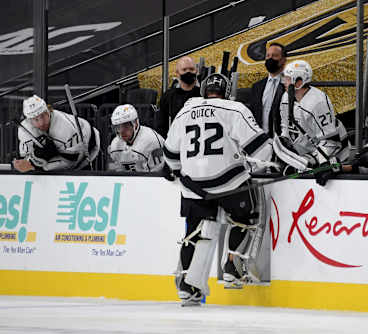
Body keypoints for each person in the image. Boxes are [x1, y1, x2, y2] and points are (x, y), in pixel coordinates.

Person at [164, 73, 272, 306]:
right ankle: (233, 266)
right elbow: (262, 150)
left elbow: (171, 157)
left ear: (203, 91)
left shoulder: (184, 111)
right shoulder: (234, 108)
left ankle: (187, 285)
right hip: (228, 181)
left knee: (194, 232)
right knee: (249, 215)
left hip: (193, 184)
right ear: (227, 91)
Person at [273, 60, 350, 176]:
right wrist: (285, 145)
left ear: (299, 82)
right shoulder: (285, 97)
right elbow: (286, 128)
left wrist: (322, 163)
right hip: (306, 153)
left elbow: (331, 141)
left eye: (288, 79)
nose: (284, 82)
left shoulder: (318, 102)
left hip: (333, 154)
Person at [13, 95, 100, 172]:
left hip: (88, 143)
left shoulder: (65, 127)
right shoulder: (24, 129)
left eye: (43, 116)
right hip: (65, 148)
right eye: (36, 119)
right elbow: (25, 158)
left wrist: (36, 165)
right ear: (29, 120)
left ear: (48, 111)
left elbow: (72, 161)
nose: (41, 123)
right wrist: (30, 161)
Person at [108, 104, 166, 172]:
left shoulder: (152, 141)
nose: (121, 132)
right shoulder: (115, 145)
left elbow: (157, 175)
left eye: (126, 126)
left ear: (135, 123)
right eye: (118, 127)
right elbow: (114, 173)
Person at [249, 42, 287, 137]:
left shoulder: (289, 85)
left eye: (274, 56)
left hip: (281, 141)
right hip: (260, 141)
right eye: (268, 55)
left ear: (283, 60)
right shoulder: (257, 87)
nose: (270, 58)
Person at [158, 56, 201, 138]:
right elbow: (161, 125)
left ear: (197, 71)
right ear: (177, 73)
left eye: (191, 69)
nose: (188, 72)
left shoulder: (203, 94)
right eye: (184, 70)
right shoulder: (168, 96)